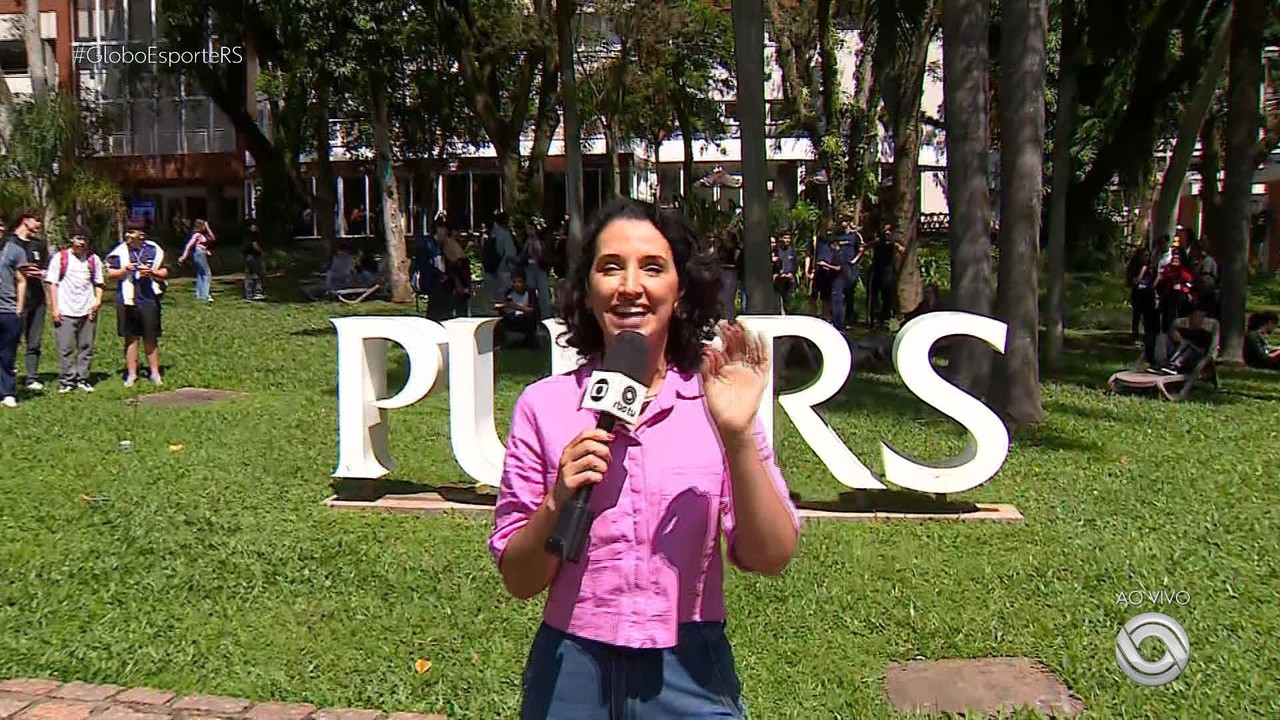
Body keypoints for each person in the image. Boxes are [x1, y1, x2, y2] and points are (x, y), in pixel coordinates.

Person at [490, 199, 800, 719]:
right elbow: (520, 581)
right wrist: (556, 498)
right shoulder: (543, 406)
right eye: (610, 267)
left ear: (679, 292)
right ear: (588, 292)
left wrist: (739, 436)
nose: (630, 286)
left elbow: (771, 557)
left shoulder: (717, 402)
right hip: (570, 668)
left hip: (691, 668)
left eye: (652, 268)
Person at [106, 224, 169, 386]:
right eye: (127, 232)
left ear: (141, 234)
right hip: (127, 299)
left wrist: (152, 273)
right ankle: (131, 374)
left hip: (148, 298)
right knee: (131, 337)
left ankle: (155, 373)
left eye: (131, 232)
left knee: (151, 337)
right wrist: (124, 270)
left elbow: (165, 272)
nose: (128, 235)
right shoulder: (119, 251)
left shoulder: (155, 250)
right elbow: (110, 274)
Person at [44, 226, 105, 393]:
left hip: (87, 310)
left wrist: (97, 301)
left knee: (86, 347)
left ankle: (82, 378)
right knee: (66, 348)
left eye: (84, 239)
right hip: (65, 310)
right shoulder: (60, 258)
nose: (81, 243)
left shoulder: (93, 259)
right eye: (78, 238)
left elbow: (99, 283)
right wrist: (55, 309)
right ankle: (67, 380)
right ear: (71, 239)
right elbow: (52, 284)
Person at [5, 210, 49, 390]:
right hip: (13, 298)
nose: (39, 224)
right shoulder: (8, 242)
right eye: (36, 220)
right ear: (25, 220)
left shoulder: (39, 244)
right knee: (10, 339)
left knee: (34, 340)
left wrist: (40, 273)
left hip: (37, 297)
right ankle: (9, 374)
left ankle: (32, 377)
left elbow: (48, 269)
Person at [0, 231, 28, 407]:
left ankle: (8, 392)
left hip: (8, 310)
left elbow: (21, 280)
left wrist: (19, 308)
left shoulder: (15, 251)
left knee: (7, 354)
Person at [495, 268, 540, 349]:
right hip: (512, 316)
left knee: (529, 319)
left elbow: (533, 310)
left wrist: (516, 307)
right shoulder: (509, 292)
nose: (517, 284)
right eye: (514, 282)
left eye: (519, 282)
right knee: (498, 321)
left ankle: (530, 344)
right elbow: (506, 306)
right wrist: (502, 307)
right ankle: (500, 344)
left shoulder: (530, 292)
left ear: (524, 282)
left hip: (526, 317)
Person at [178, 219, 215, 303]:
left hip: (201, 253)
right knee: (207, 274)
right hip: (199, 254)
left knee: (201, 274)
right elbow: (189, 245)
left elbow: (212, 238)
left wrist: (208, 228)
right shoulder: (197, 235)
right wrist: (184, 256)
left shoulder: (201, 235)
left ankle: (200, 295)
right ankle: (205, 295)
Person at [242, 224, 265, 300]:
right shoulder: (254, 236)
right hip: (254, 256)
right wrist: (262, 252)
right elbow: (255, 245)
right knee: (256, 274)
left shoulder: (246, 236)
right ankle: (256, 292)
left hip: (248, 256)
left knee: (249, 275)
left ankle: (249, 293)